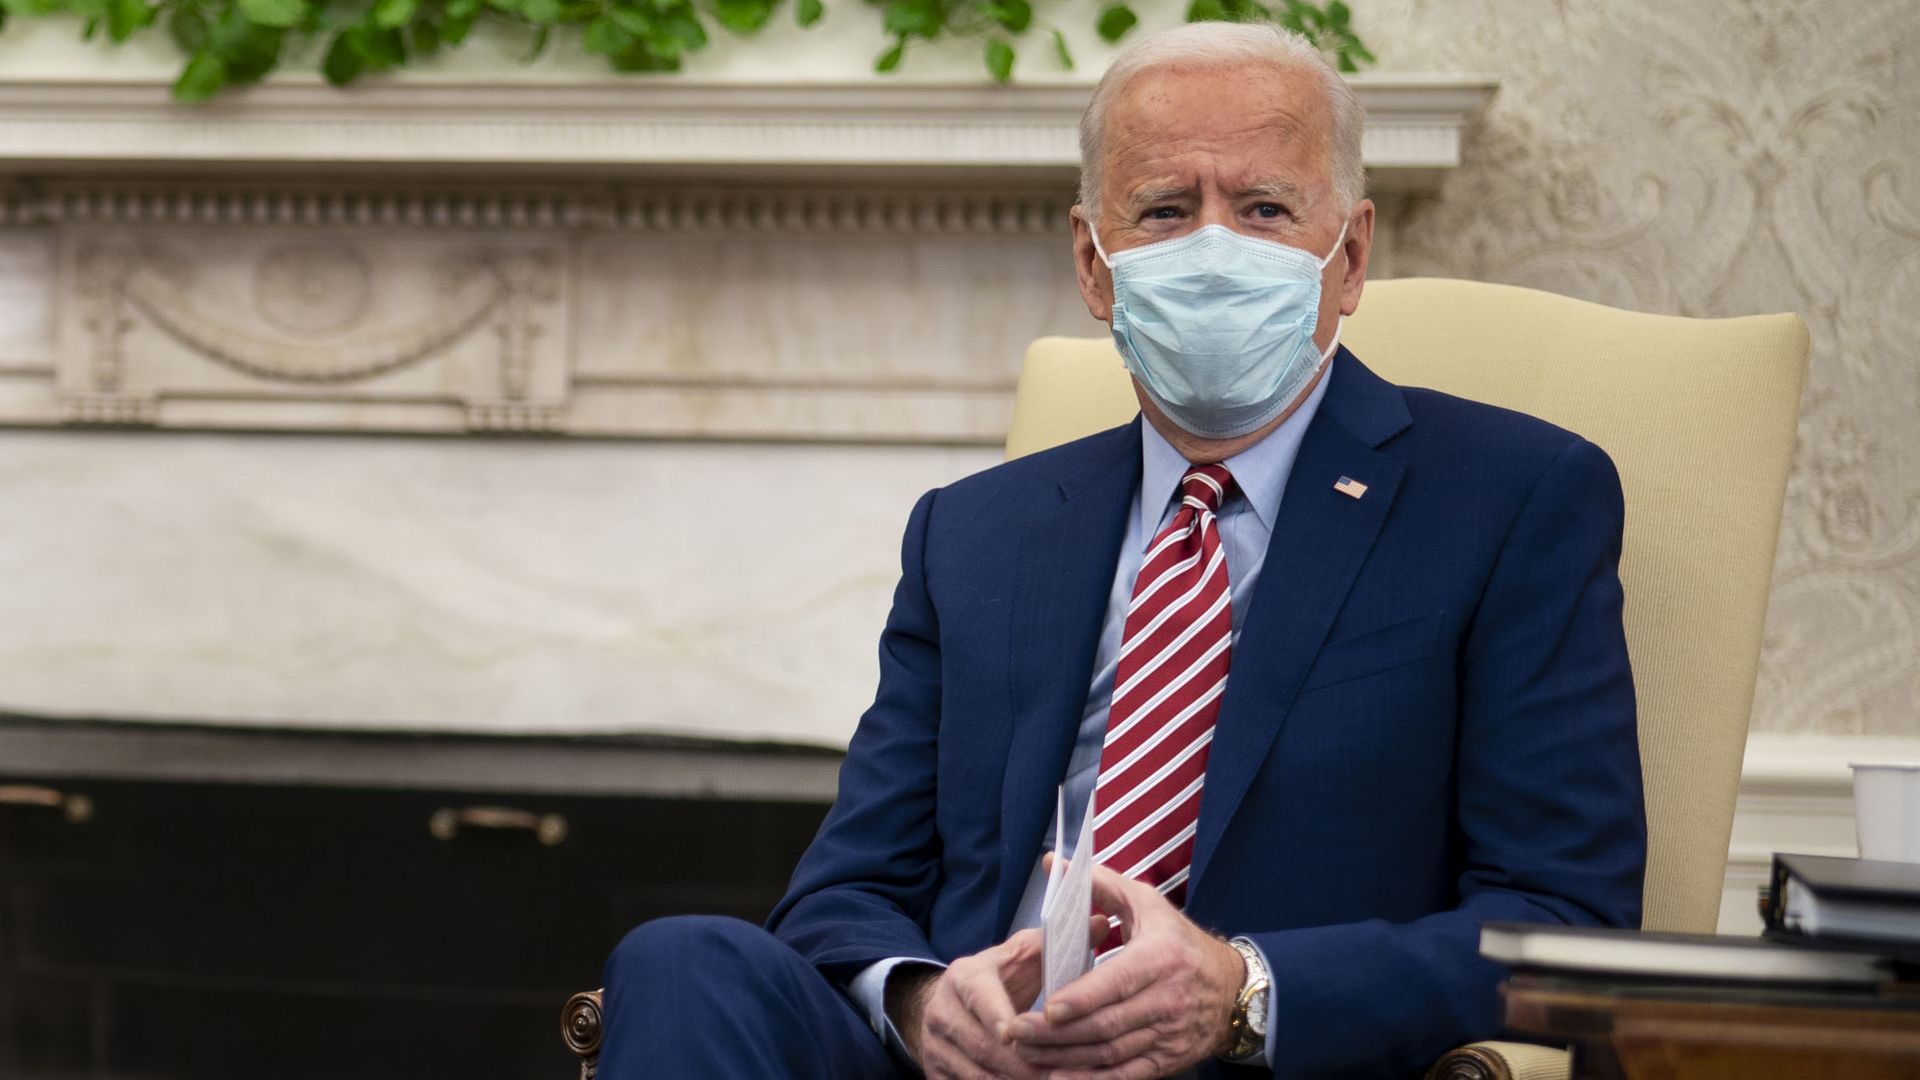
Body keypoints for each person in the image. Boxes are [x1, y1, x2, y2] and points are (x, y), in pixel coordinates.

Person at [598, 20, 1645, 1079]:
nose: (1213, 247)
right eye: (1165, 210)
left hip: (1252, 1058)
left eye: (1266, 208)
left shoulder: (1513, 498)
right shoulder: (976, 530)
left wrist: (1245, 992)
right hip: (975, 1062)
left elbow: (1566, 922)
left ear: (1353, 255)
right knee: (681, 959)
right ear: (1095, 267)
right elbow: (844, 891)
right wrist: (921, 1004)